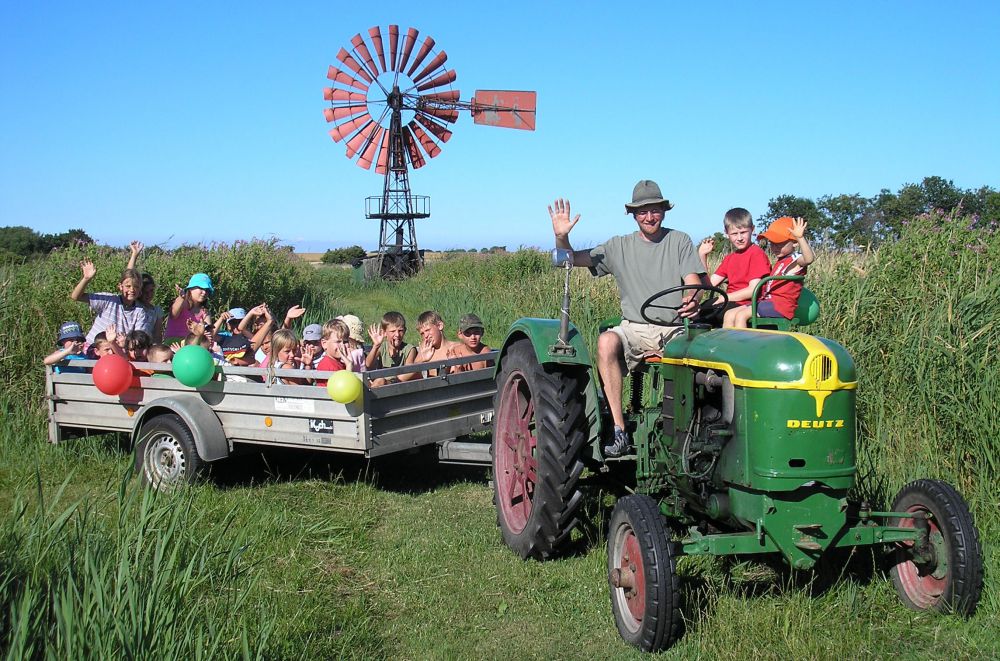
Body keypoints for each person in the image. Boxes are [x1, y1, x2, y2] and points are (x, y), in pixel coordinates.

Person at [549, 180, 705, 458]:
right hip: (633, 328)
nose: (649, 217)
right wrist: (561, 237)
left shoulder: (679, 240)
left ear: (664, 211)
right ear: (633, 214)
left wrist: (692, 299)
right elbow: (566, 260)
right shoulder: (619, 246)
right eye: (643, 211)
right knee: (607, 341)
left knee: (702, 355)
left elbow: (693, 281)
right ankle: (618, 430)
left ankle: (687, 432)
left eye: (655, 210)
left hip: (674, 329)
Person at [725, 216, 815, 328]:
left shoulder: (796, 260)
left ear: (795, 243)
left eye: (780, 243)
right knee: (729, 314)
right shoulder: (780, 260)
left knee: (741, 316)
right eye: (772, 243)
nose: (775, 247)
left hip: (780, 306)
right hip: (768, 303)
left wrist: (800, 238)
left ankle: (743, 344)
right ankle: (727, 344)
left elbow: (809, 259)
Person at [697, 208, 772, 323]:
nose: (739, 238)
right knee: (695, 312)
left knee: (707, 315)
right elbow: (709, 285)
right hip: (730, 301)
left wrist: (724, 297)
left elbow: (752, 291)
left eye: (743, 232)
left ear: (752, 229)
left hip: (746, 304)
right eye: (734, 234)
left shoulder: (756, 254)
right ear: (727, 234)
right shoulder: (730, 258)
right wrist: (702, 256)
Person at [70, 260, 153, 344]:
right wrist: (86, 278)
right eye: (128, 286)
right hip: (93, 346)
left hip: (116, 350)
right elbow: (76, 297)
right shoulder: (109, 300)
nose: (132, 290)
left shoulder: (140, 311)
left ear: (140, 289)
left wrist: (126, 343)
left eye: (136, 287)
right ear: (120, 286)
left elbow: (138, 338)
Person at [365, 311, 419, 386]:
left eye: (400, 331)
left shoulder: (409, 349)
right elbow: (368, 364)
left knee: (379, 381)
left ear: (405, 331)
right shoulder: (382, 347)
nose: (397, 335)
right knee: (379, 381)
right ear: (384, 333)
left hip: (399, 385)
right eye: (392, 331)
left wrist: (389, 382)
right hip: (381, 384)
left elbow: (408, 372)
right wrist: (376, 346)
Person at [125, 241, 164, 342]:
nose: (149, 294)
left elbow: (157, 335)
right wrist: (134, 255)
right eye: (145, 291)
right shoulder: (135, 305)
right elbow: (128, 276)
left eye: (151, 291)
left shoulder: (156, 311)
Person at [164, 273, 213, 343]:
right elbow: (173, 315)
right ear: (191, 289)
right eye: (201, 288)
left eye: (207, 290)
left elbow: (209, 333)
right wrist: (181, 298)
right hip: (174, 344)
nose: (204, 292)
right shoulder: (182, 302)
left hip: (192, 344)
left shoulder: (205, 312)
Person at [413, 311, 465, 376]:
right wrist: (420, 360)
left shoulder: (458, 347)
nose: (426, 336)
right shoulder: (425, 353)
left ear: (440, 326)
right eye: (422, 333)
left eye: (428, 330)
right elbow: (412, 376)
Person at [313, 319, 351, 387]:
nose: (342, 346)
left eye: (345, 342)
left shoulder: (339, 363)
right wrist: (349, 365)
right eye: (338, 342)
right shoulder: (327, 365)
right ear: (324, 344)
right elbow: (344, 390)